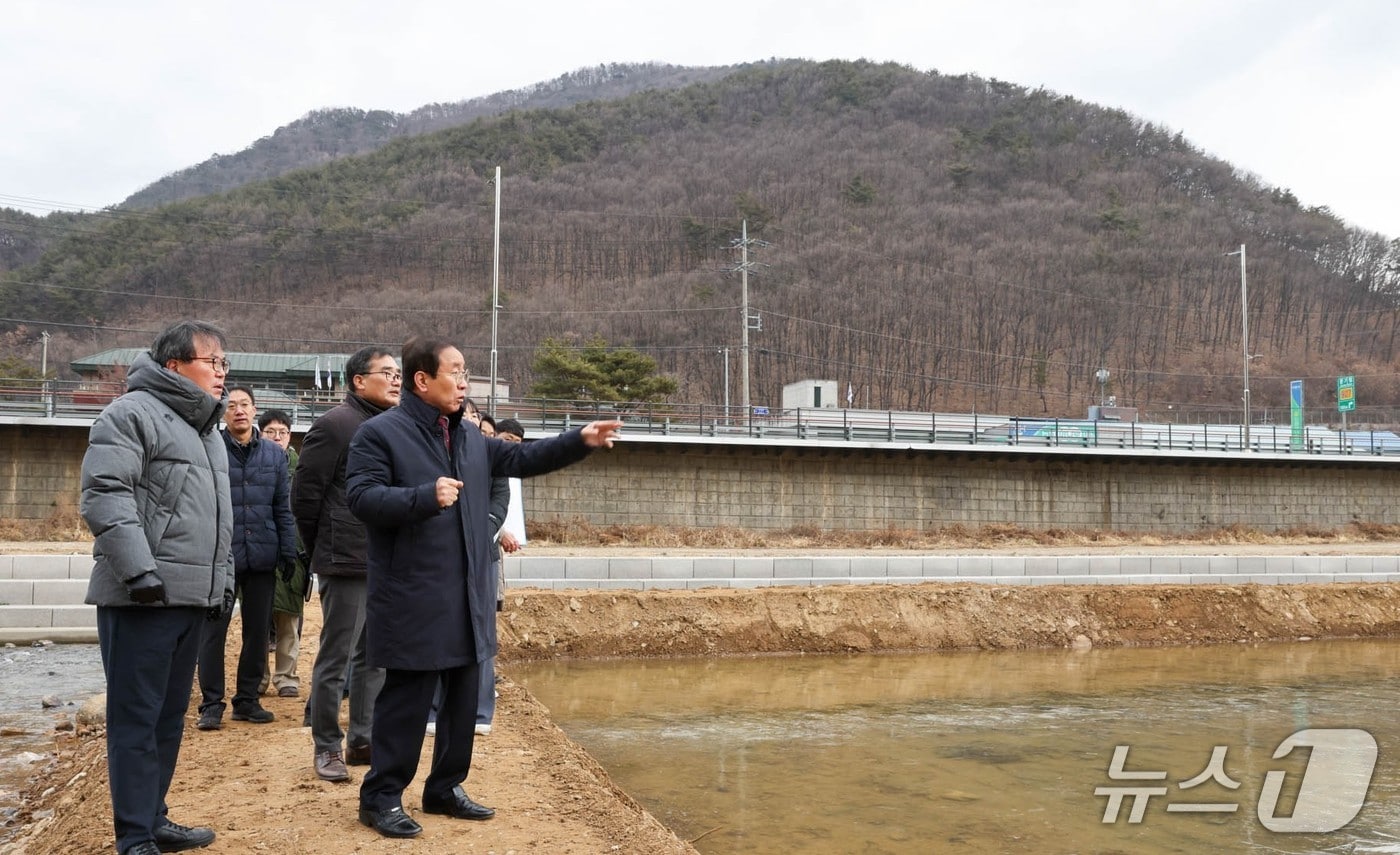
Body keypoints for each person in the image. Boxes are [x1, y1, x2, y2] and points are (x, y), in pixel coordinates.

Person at [347, 336, 622, 839]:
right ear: (422, 380)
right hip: (413, 596)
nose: (465, 379)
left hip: (467, 593)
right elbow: (362, 498)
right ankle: (382, 797)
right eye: (455, 370)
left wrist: (579, 440)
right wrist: (422, 497)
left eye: (466, 370)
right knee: (406, 703)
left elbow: (524, 459)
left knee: (462, 700)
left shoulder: (470, 438)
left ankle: (444, 788)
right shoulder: (380, 434)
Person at [80, 320, 235, 855]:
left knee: (169, 719)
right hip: (141, 597)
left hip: (191, 596)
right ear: (174, 365)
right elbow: (105, 494)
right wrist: (140, 572)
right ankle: (134, 836)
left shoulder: (206, 431)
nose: (220, 373)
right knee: (135, 720)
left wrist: (223, 583)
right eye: (211, 362)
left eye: (223, 364)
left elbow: (217, 519)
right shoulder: (129, 414)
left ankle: (154, 816)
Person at [293, 346, 401, 783]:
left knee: (374, 657)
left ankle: (363, 738)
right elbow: (304, 497)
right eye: (387, 373)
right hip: (344, 559)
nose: (397, 380)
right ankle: (326, 746)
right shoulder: (335, 425)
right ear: (359, 380)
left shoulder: (394, 426)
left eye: (399, 373)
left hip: (385, 558)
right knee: (335, 657)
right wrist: (321, 549)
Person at [196, 386, 297, 729]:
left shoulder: (273, 455)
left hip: (262, 555)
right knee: (214, 631)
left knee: (256, 632)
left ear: (255, 411)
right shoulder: (210, 449)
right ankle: (211, 704)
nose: (239, 411)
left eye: (245, 405)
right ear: (224, 413)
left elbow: (282, 508)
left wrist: (287, 549)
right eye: (232, 406)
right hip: (221, 556)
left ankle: (247, 700)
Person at [256, 409, 310, 698]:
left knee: (290, 620)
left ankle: (287, 677)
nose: (277, 438)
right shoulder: (251, 464)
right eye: (270, 432)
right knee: (257, 623)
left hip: (294, 554)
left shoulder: (301, 470)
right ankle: (258, 678)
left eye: (283, 432)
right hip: (258, 553)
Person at [477, 416, 525, 736]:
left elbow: (500, 505)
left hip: (490, 551)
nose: (507, 446)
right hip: (470, 550)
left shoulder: (506, 469)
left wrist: (499, 531)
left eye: (514, 443)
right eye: (502, 438)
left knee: (486, 621)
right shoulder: (475, 458)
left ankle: (482, 697)